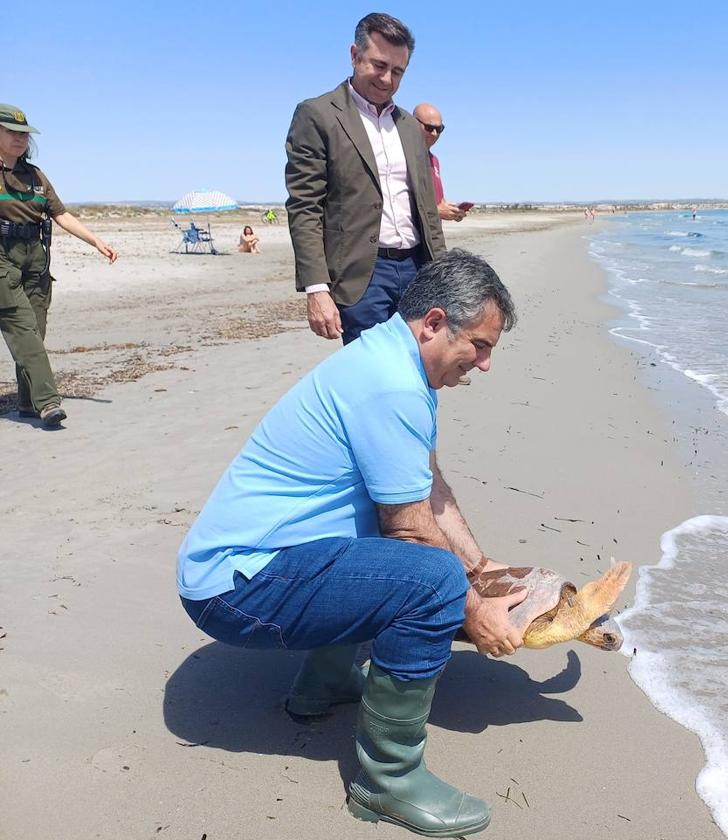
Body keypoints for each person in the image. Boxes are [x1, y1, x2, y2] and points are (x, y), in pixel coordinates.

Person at [177, 249, 523, 836]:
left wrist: (483, 565)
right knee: (431, 579)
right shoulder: (390, 386)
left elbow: (427, 485)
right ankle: (386, 781)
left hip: (255, 565)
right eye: (482, 345)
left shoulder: (392, 360)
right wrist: (473, 606)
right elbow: (411, 528)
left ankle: (327, 682)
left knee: (419, 557)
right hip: (234, 586)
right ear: (434, 323)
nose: (485, 364)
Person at [286, 12, 446, 345]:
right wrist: (317, 289)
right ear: (354, 55)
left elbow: (427, 210)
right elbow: (304, 207)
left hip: (418, 269)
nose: (387, 78)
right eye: (379, 65)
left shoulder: (408, 126)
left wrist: (442, 273)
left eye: (398, 71)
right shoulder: (318, 115)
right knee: (370, 378)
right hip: (362, 276)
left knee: (421, 371)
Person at [0, 104, 118, 428]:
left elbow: (61, 214)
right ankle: (48, 402)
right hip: (2, 259)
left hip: (36, 258)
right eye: (11, 132)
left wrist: (95, 241)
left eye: (24, 134)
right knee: (23, 330)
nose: (19, 139)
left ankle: (26, 401)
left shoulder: (36, 176)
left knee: (35, 332)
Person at [412, 102, 469, 224]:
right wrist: (436, 211)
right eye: (429, 128)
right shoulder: (401, 158)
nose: (434, 134)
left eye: (439, 129)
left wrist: (452, 211)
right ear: (413, 124)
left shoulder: (434, 160)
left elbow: (439, 201)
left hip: (434, 234)